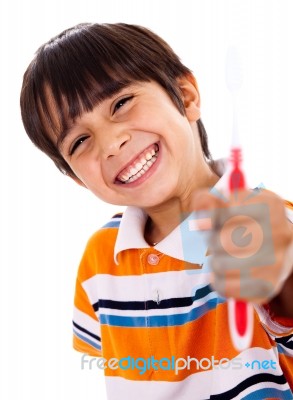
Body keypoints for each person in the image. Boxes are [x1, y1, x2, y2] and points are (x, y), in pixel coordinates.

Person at [20, 23, 293, 400]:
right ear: (77, 180)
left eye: (120, 103)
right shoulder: (99, 260)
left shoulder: (268, 224)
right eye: (80, 141)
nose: (112, 143)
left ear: (185, 95)